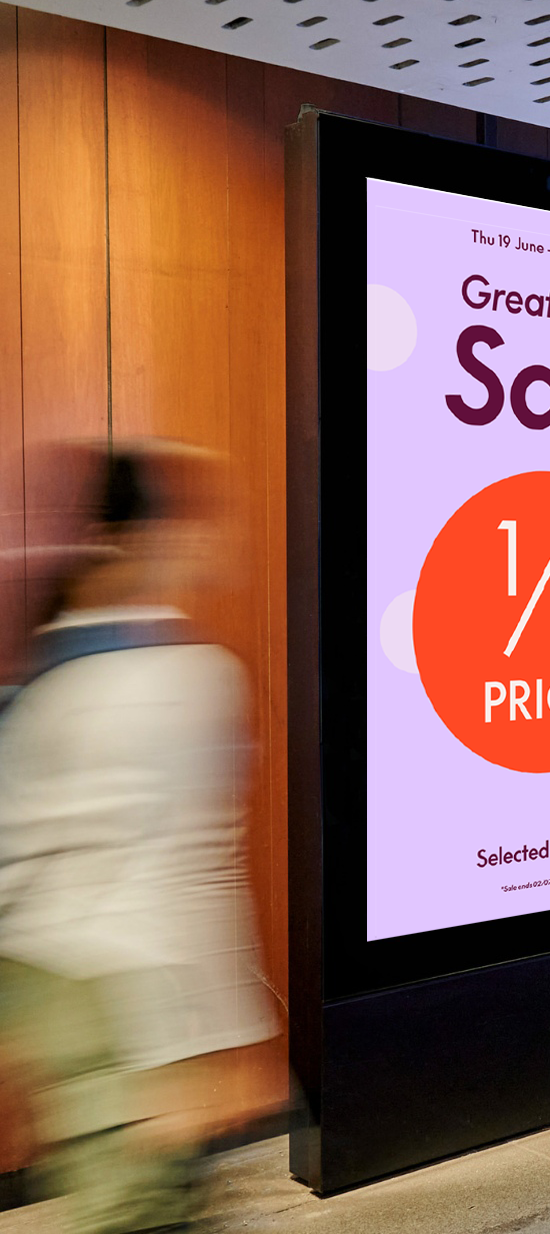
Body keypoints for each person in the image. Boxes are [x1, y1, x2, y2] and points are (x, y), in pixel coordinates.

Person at [0, 443, 278, 1233]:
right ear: (151, 538)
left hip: (47, 987)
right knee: (140, 1213)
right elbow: (193, 876)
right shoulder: (187, 679)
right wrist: (224, 1040)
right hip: (128, 1000)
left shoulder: (43, 672)